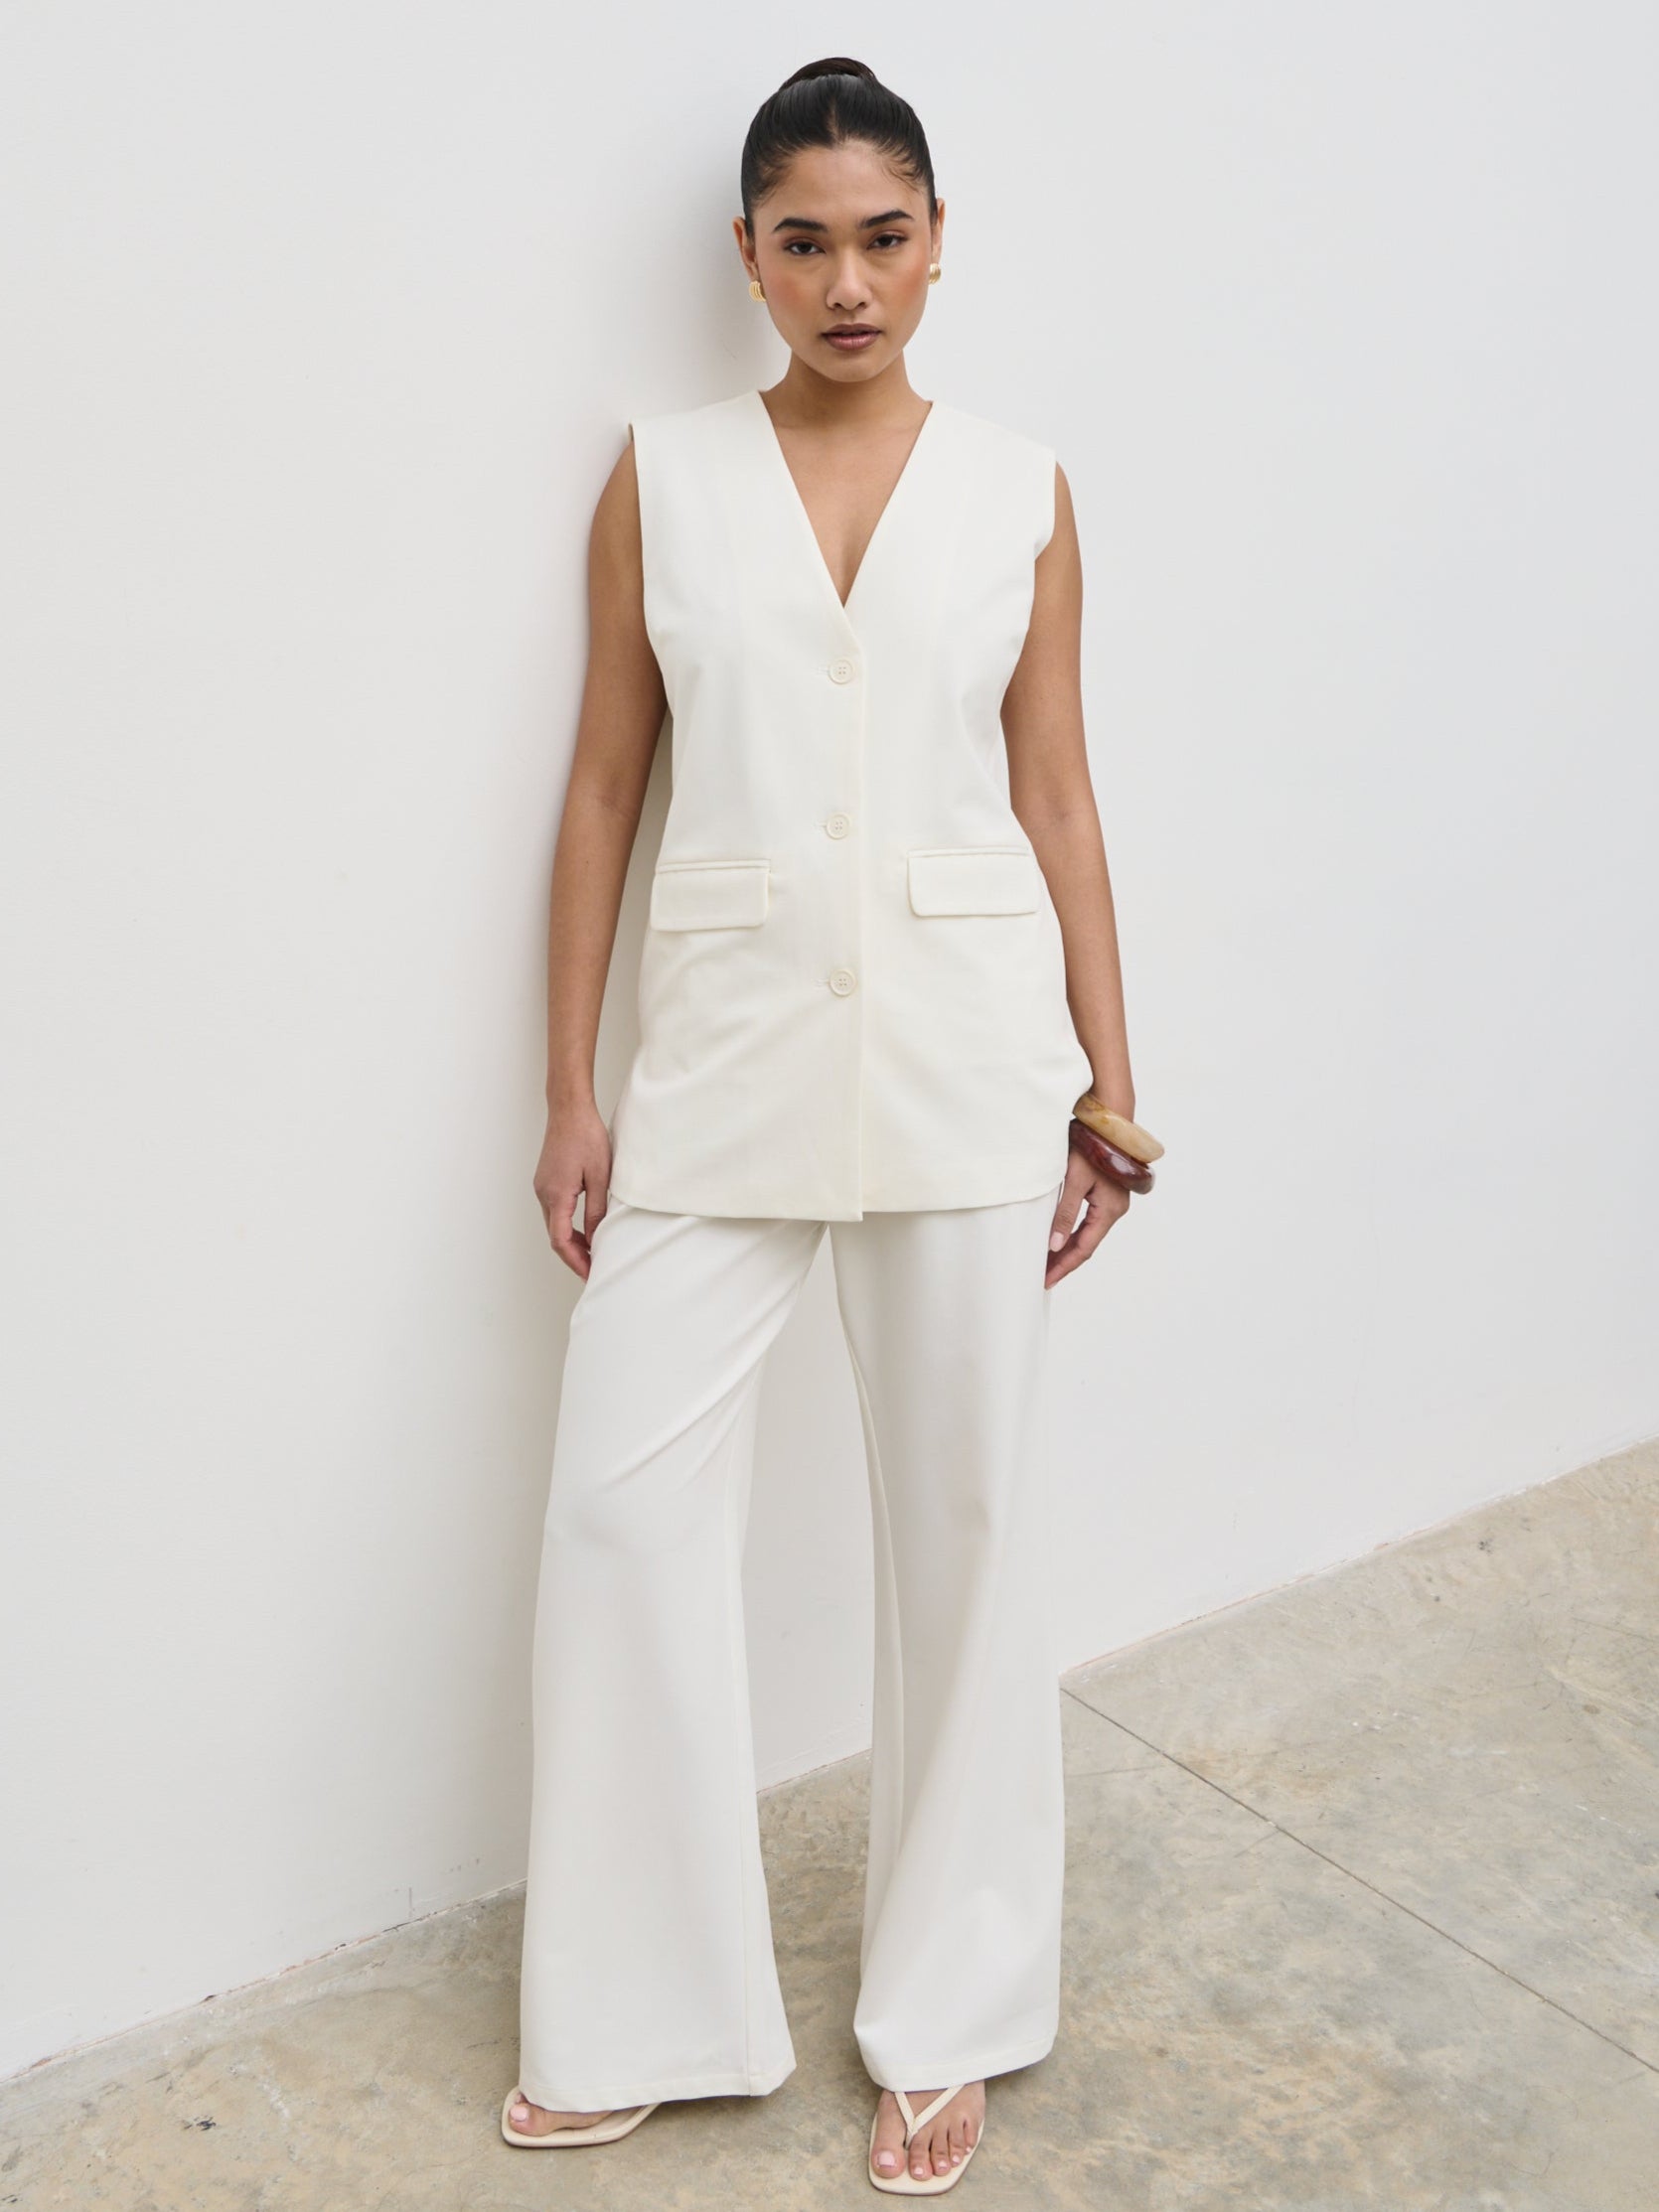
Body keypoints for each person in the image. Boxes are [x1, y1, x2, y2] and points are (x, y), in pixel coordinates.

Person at [500, 55, 1159, 2195]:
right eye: (806, 242)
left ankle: (949, 2009)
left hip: (969, 1064)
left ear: (939, 240)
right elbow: (605, 785)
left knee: (962, 1532)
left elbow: (1055, 794)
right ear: (749, 256)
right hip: (717, 1063)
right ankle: (637, 2006)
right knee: (618, 1511)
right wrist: (570, 1085)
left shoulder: (1024, 487)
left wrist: (1110, 1088)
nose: (848, 281)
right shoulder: (664, 476)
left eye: (884, 237)